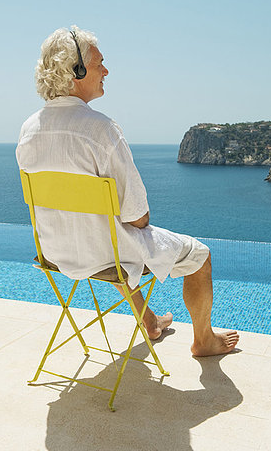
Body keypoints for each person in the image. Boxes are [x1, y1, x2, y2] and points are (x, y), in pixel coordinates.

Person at [16, 26, 239, 356]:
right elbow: (137, 216)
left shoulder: (29, 129)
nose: (106, 71)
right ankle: (204, 340)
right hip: (106, 257)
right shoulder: (101, 130)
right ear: (75, 71)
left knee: (110, 238)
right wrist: (136, 222)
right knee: (199, 256)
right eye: (99, 64)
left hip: (56, 254)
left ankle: (149, 321)